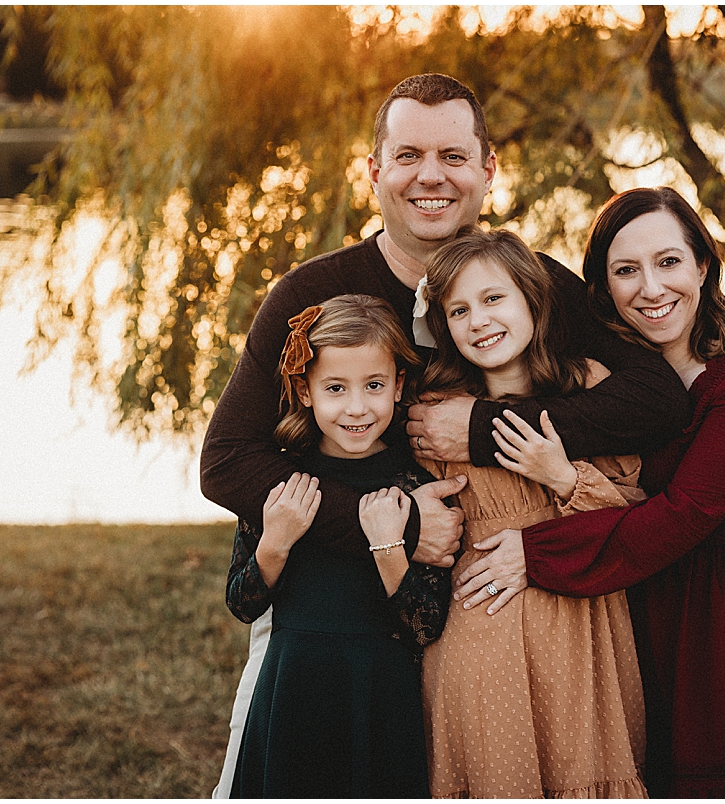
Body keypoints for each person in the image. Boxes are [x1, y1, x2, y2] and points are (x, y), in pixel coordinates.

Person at [200, 75, 688, 796]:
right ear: (373, 171)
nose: (432, 176)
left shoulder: (530, 286)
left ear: (488, 171)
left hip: (500, 618)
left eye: (454, 156)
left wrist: (486, 429)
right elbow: (228, 461)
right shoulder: (310, 295)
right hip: (332, 616)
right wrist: (387, 526)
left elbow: (655, 398)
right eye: (409, 156)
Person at [453, 187, 725, 798]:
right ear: (602, 290)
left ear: (703, 266)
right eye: (626, 270)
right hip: (632, 600)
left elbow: (682, 516)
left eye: (669, 262)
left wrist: (535, 551)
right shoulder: (599, 384)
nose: (650, 288)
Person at [416, 226, 647, 798]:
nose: (479, 321)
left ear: (532, 301)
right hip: (482, 620)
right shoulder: (435, 412)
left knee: (584, 763)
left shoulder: (590, 388)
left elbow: (632, 512)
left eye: (494, 299)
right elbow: (427, 517)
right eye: (459, 310)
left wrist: (561, 476)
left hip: (581, 625)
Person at [226, 295, 448, 797]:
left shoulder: (414, 480)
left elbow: (426, 624)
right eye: (335, 388)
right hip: (293, 688)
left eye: (373, 385)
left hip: (380, 694)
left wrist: (391, 546)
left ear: (398, 385)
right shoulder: (280, 479)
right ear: (305, 392)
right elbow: (243, 602)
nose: (356, 407)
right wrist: (276, 543)